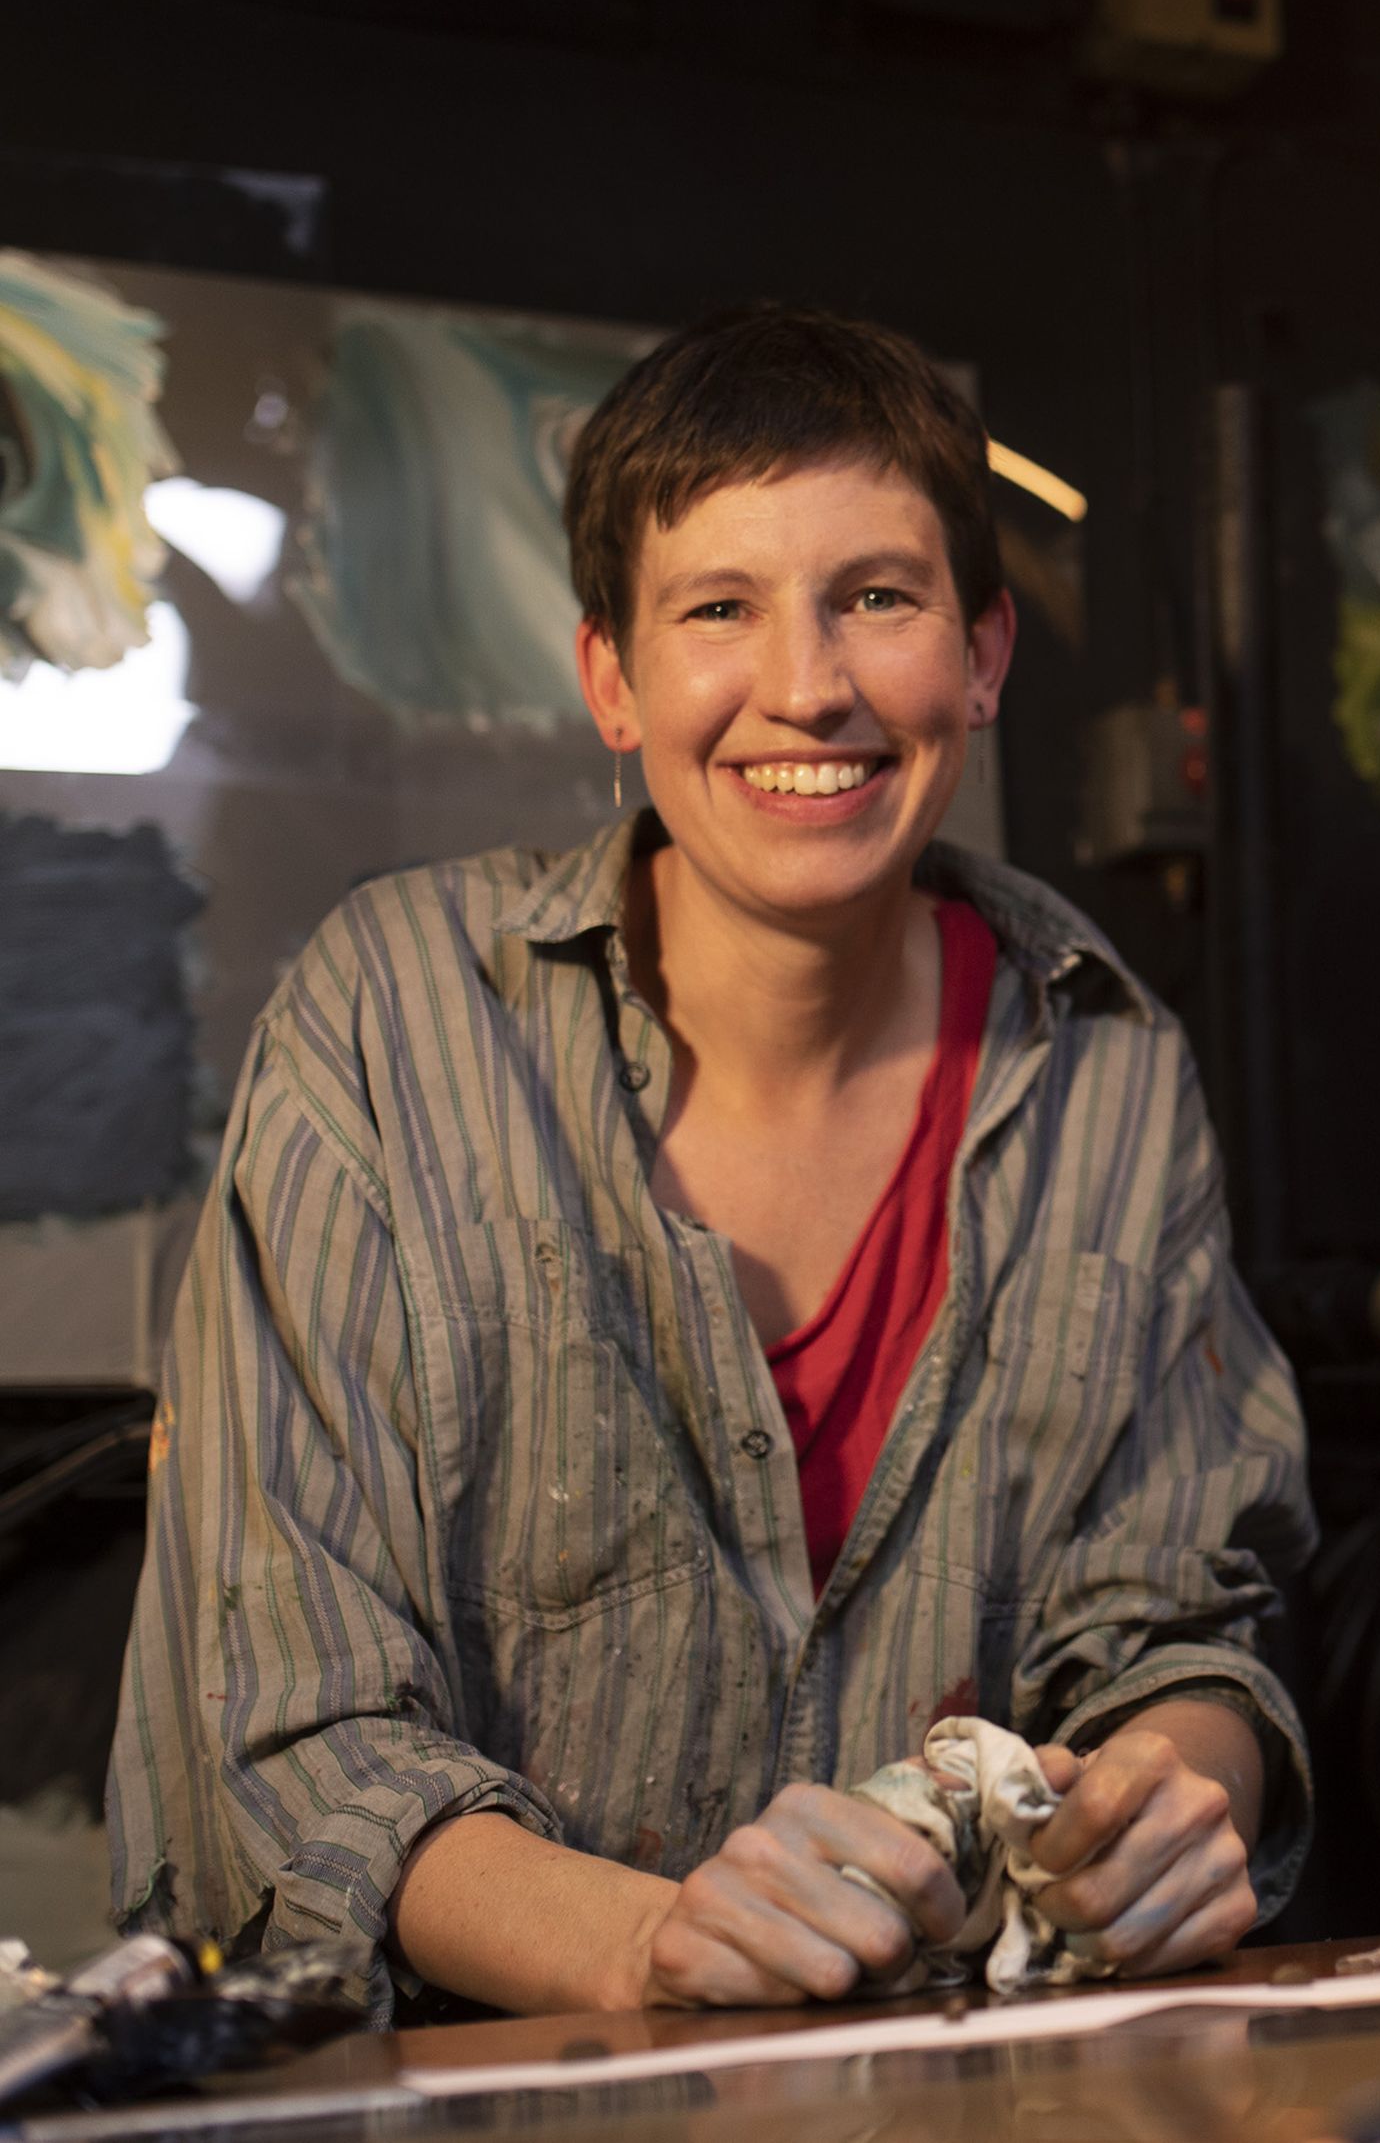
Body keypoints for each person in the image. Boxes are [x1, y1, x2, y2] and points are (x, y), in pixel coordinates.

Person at [107, 307, 1314, 2019]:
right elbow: (276, 1723)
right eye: (719, 609)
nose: (807, 685)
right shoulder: (387, 1021)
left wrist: (1186, 1792)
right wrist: (643, 1946)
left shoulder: (1107, 1064)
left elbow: (1185, 1618)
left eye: (876, 598)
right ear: (611, 679)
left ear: (982, 657)